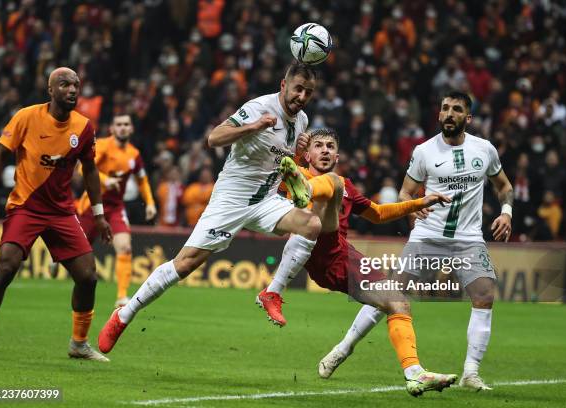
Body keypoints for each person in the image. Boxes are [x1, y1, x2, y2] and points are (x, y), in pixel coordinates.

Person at [98, 61, 322, 354]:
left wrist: (301, 153)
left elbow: (282, 159)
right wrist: (253, 126)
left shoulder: (302, 121)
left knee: (312, 224)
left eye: (308, 92)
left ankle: (272, 293)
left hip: (265, 200)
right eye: (298, 89)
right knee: (186, 264)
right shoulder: (258, 108)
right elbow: (213, 138)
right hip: (230, 199)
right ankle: (124, 315)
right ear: (283, 85)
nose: (302, 97)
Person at [319, 91, 513, 391]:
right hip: (427, 236)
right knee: (389, 294)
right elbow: (405, 192)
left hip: (468, 239)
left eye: (457, 109)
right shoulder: (424, 152)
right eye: (445, 108)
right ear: (438, 115)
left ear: (468, 117)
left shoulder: (485, 150)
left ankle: (471, 373)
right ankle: (343, 348)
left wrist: (507, 213)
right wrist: (412, 211)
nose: (449, 113)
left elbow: (504, 186)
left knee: (485, 293)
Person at [267, 128, 458, 396]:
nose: (325, 150)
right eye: (319, 145)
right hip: (310, 247)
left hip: (341, 257)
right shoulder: (290, 174)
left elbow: (378, 214)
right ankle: (307, 191)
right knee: (331, 184)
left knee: (397, 301)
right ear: (307, 153)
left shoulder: (344, 185)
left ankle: (415, 373)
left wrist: (417, 203)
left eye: (330, 146)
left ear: (337, 154)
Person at [0, 67, 112, 361]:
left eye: (76, 85)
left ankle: (79, 344)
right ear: (50, 90)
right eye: (65, 84)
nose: (72, 90)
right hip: (26, 207)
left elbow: (91, 170)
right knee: (6, 266)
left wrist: (99, 214)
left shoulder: (83, 127)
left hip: (61, 213)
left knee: (88, 277)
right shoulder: (26, 117)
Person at [76, 114, 156, 307]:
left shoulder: (134, 155)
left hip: (114, 208)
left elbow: (142, 180)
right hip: (92, 206)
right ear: (112, 128)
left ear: (131, 129)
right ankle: (60, 263)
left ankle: (121, 297)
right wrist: (105, 180)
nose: (122, 128)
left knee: (125, 248)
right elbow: (82, 169)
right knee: (77, 252)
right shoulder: (102, 146)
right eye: (118, 124)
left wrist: (151, 203)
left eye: (126, 124)